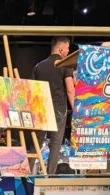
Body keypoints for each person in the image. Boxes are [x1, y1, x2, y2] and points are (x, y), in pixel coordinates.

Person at [33, 36, 75, 175]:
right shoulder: (64, 65)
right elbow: (70, 89)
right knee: (55, 144)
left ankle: (28, 174)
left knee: (36, 143)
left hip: (41, 109)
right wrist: (77, 111)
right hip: (58, 109)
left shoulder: (38, 66)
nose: (68, 52)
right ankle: (50, 176)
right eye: (67, 48)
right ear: (61, 49)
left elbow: (32, 91)